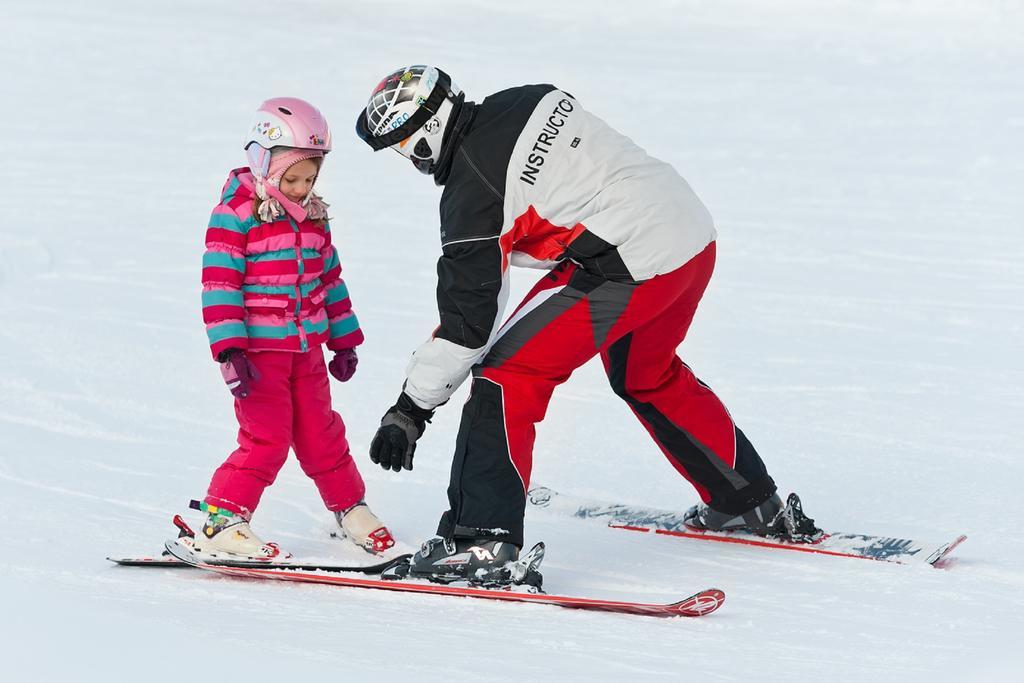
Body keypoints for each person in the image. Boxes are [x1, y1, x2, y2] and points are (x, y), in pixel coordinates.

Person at [355, 66, 810, 584]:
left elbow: (468, 325)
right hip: (690, 237)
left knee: (505, 375)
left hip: (627, 260)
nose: (408, 156)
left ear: (427, 132)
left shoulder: (471, 197)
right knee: (647, 375)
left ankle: (480, 542)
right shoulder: (524, 96)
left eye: (404, 143)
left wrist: (411, 408)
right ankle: (747, 502)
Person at [196, 97, 394, 560]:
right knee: (267, 436)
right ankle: (222, 519)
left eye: (310, 177)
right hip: (257, 355)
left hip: (305, 350)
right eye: (293, 177)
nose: (302, 188)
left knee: (322, 432)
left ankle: (350, 508)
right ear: (263, 162)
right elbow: (219, 284)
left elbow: (330, 280)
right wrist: (230, 351)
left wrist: (344, 340)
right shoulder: (237, 214)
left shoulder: (314, 217)